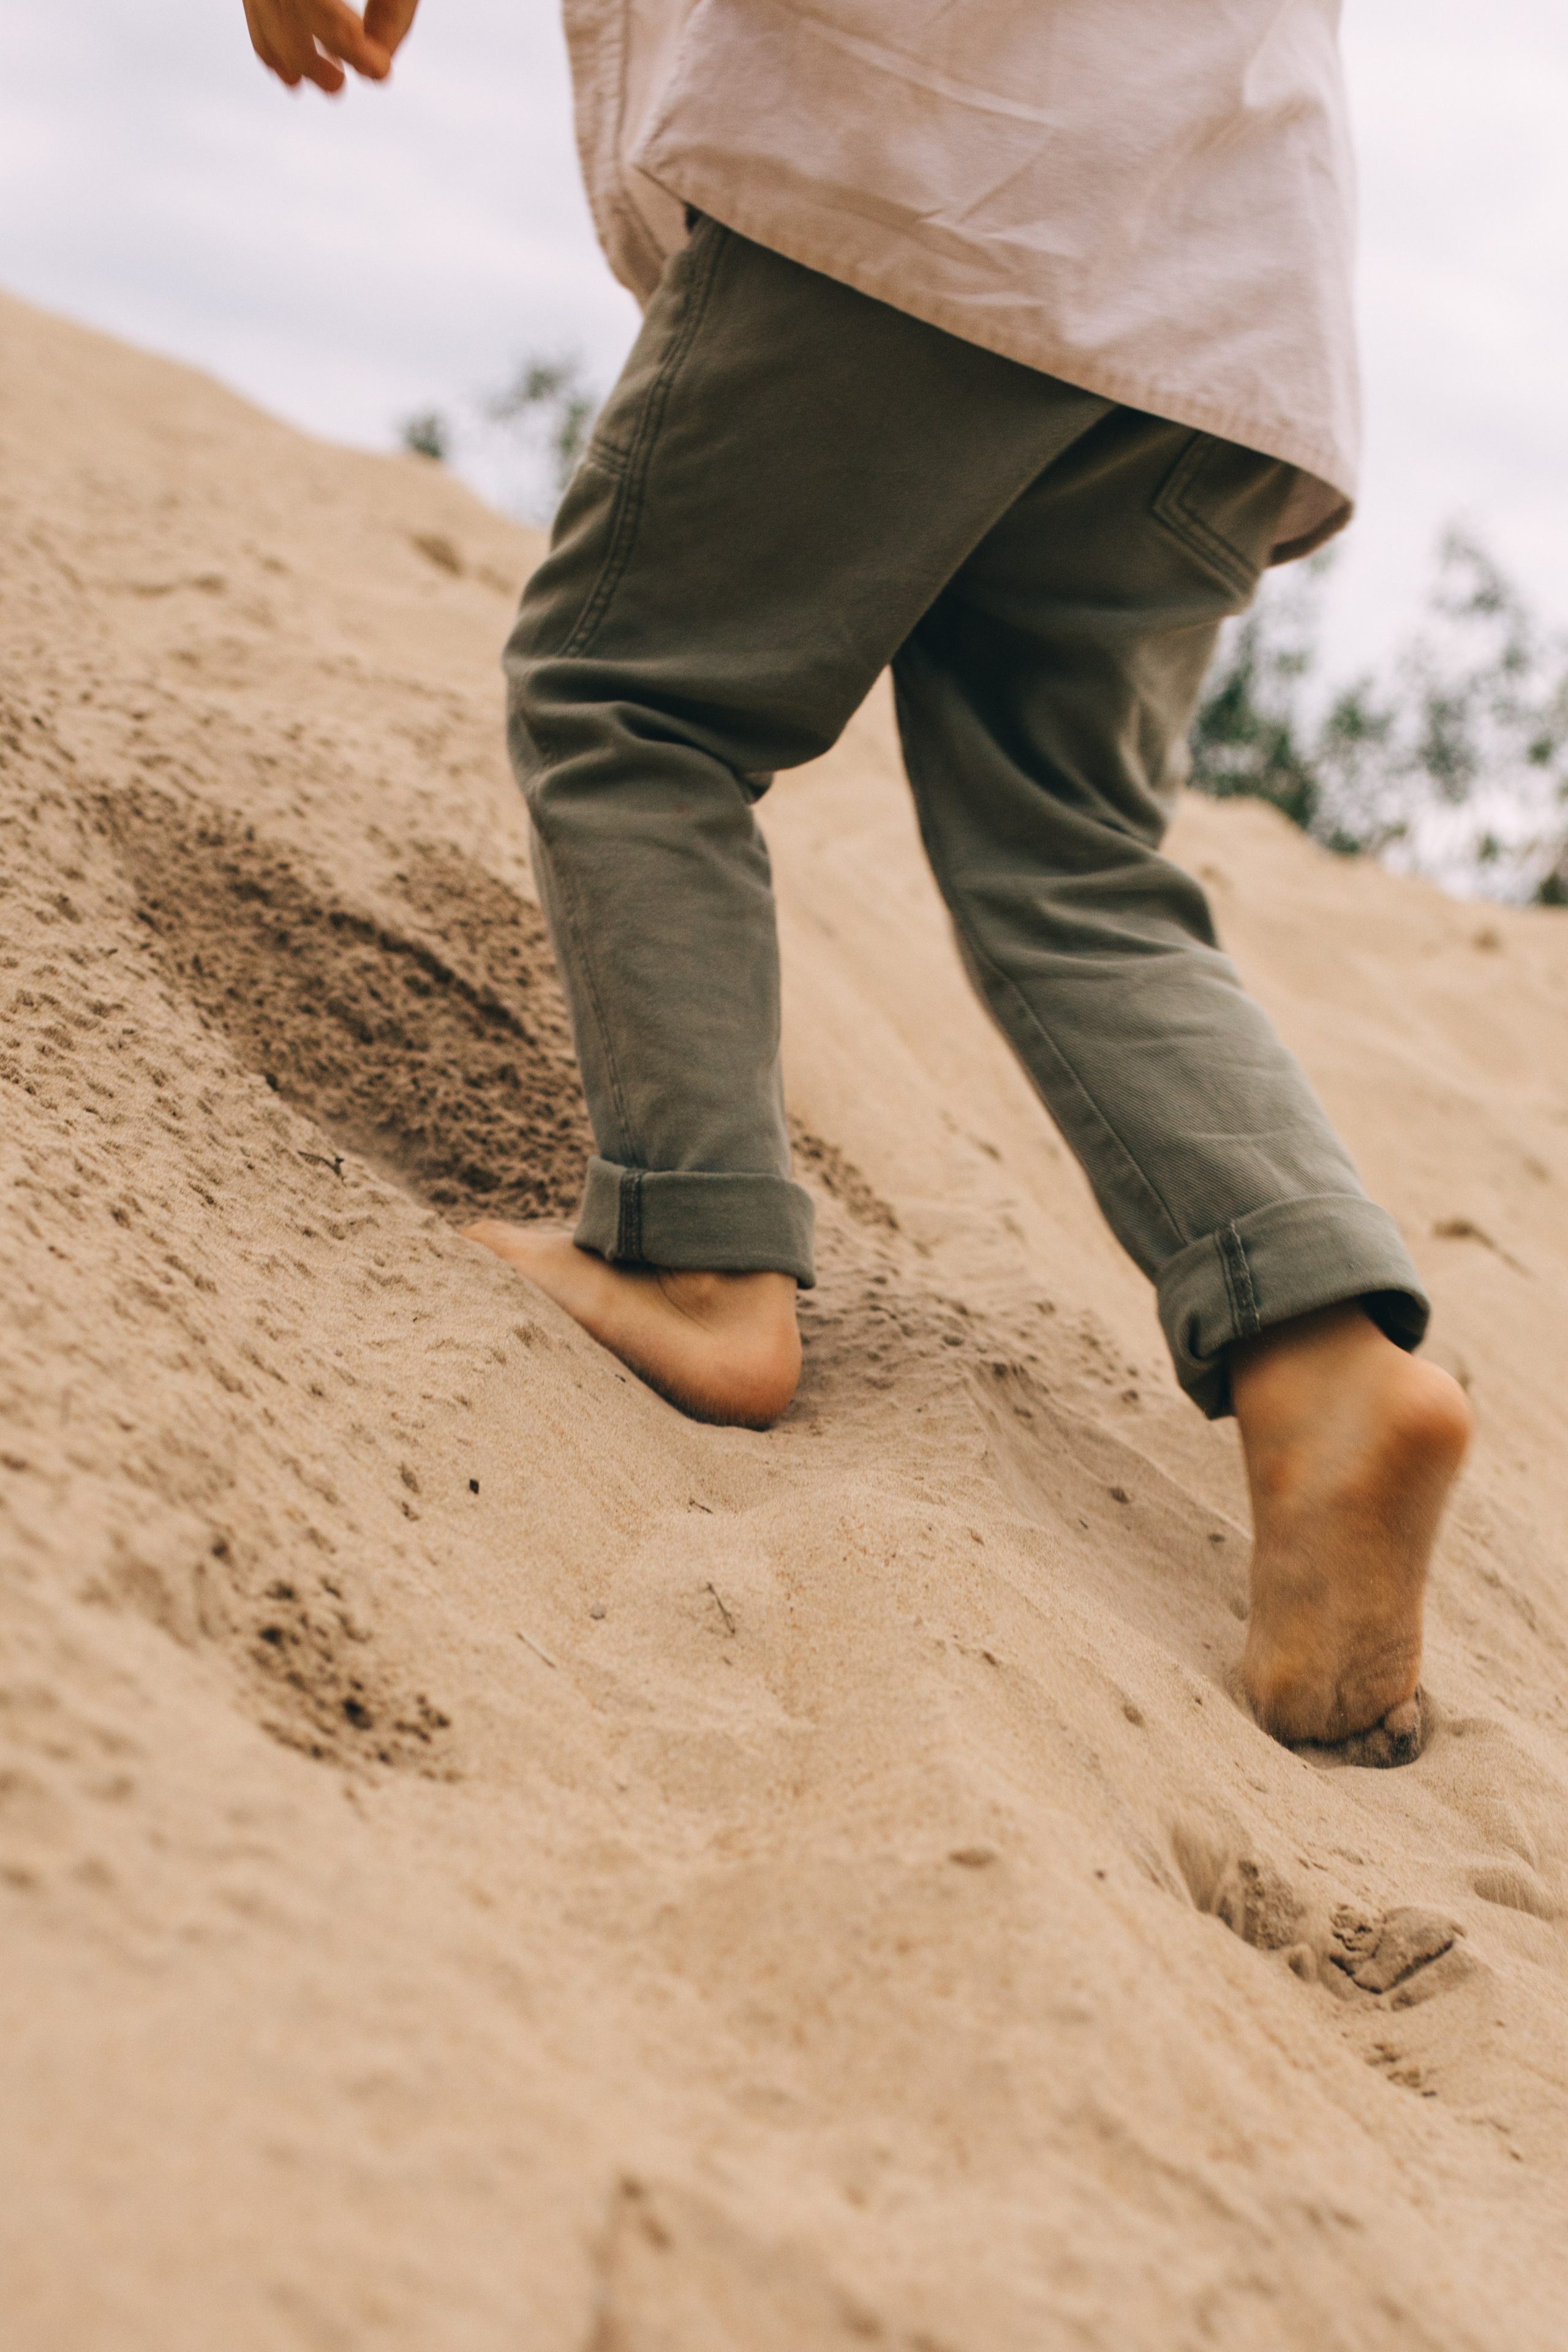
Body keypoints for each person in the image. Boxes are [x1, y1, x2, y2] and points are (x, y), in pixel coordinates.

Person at [241, 0, 1472, 1764]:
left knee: (629, 702)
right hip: (1226, 295)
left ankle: (695, 1258)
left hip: (938, 171)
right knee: (1073, 860)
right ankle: (1326, 1362)